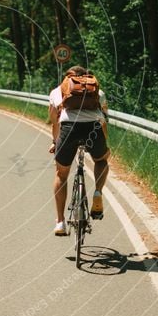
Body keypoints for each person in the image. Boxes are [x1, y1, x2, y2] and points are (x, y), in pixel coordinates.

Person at [48, 66, 109, 236]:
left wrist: (55, 142)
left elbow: (55, 121)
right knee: (101, 160)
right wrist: (104, 146)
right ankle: (97, 191)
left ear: (69, 77)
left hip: (69, 130)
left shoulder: (58, 90)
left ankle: (60, 222)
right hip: (93, 130)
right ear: (86, 77)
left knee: (61, 173)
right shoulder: (98, 91)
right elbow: (104, 120)